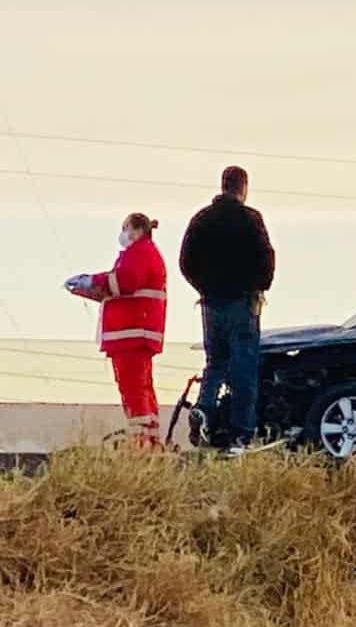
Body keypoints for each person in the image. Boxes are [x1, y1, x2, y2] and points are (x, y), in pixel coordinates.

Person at [179, 166, 275, 451]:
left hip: (212, 304)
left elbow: (186, 262)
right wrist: (259, 286)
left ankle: (205, 409)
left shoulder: (202, 220)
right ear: (242, 187)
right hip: (242, 304)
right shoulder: (251, 219)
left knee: (215, 363)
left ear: (222, 186)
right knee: (244, 368)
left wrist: (204, 288)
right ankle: (241, 434)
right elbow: (267, 259)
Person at [65, 214, 168, 448]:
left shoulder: (139, 253)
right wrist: (93, 288)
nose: (123, 234)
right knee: (140, 388)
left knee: (133, 389)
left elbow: (124, 282)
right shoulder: (143, 253)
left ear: (138, 230)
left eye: (126, 228)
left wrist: (93, 280)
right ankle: (149, 440)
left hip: (131, 333)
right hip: (136, 333)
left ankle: (141, 443)